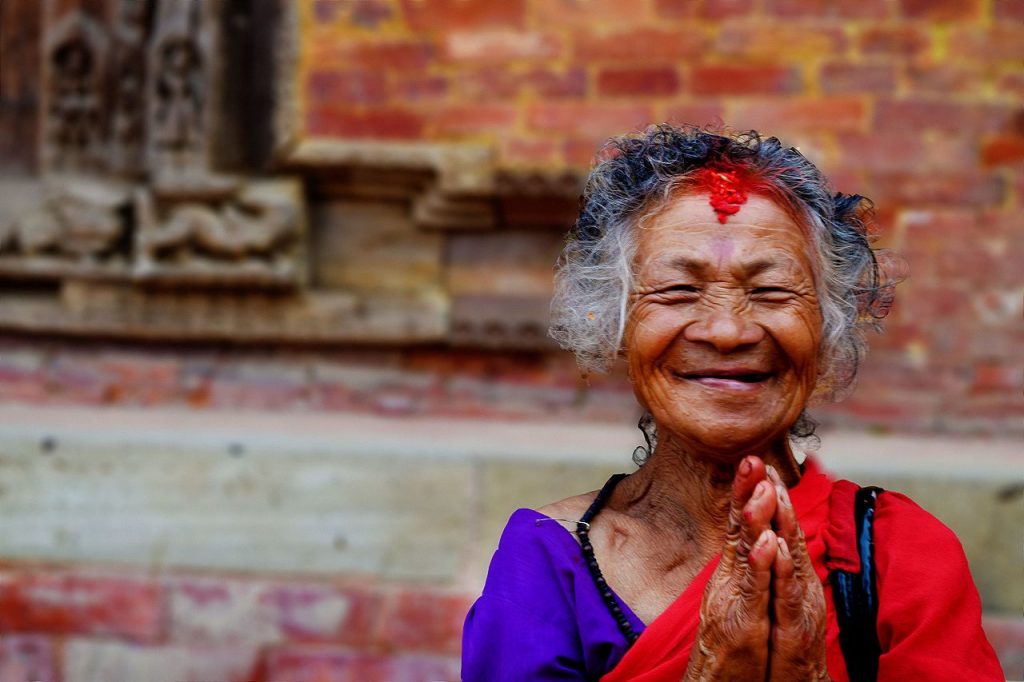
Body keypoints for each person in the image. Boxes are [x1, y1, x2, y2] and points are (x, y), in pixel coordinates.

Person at [461, 126, 1004, 681]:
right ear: (617, 328)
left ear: (826, 330)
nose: (727, 330)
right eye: (678, 290)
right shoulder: (550, 564)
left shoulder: (899, 556)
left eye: (772, 291)